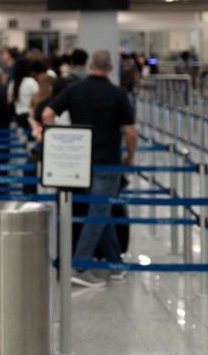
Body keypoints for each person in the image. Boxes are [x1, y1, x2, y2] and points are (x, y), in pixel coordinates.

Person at [43, 50, 137, 288]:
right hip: (108, 160)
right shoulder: (118, 94)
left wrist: (60, 140)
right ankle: (80, 265)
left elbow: (47, 114)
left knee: (99, 210)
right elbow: (130, 131)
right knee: (99, 210)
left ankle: (115, 264)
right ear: (111, 68)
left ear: (90, 65)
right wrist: (130, 156)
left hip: (79, 161)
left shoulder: (74, 90)